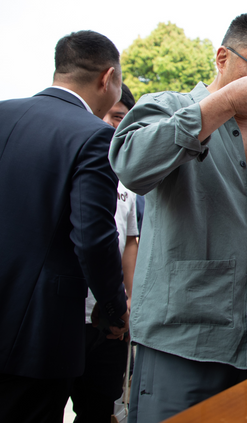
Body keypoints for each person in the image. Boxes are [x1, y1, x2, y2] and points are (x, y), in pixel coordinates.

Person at [109, 12, 247, 422]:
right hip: (181, 339)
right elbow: (130, 165)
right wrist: (222, 105)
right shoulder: (167, 107)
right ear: (222, 58)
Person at [0, 30, 129, 423]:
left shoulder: (3, 111)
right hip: (39, 327)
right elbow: (92, 237)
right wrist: (112, 308)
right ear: (107, 78)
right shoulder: (92, 135)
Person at [70, 83, 139, 422]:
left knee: (99, 407)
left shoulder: (128, 179)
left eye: (121, 118)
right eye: (110, 115)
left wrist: (128, 301)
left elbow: (129, 242)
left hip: (112, 321)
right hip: (68, 314)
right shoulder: (75, 158)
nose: (113, 125)